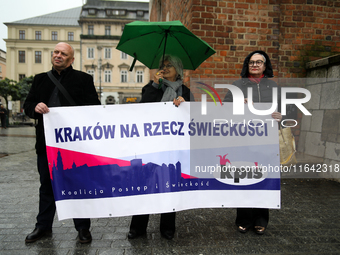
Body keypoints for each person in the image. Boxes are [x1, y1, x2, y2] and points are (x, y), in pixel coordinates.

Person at [23, 42, 100, 243]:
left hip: (75, 146)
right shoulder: (40, 79)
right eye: (56, 52)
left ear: (71, 59)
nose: (58, 55)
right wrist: (35, 107)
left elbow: (95, 109)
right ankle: (43, 227)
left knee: (77, 186)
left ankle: (83, 228)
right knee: (46, 187)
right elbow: (28, 106)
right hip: (46, 145)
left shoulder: (84, 79)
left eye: (63, 53)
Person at [127, 55, 192, 240]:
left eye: (170, 64)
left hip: (173, 148)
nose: (165, 67)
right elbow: (144, 108)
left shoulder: (185, 92)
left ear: (178, 69)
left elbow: (191, 118)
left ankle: (167, 227)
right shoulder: (152, 87)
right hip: (151, 145)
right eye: (163, 65)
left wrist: (185, 106)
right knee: (145, 184)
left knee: (168, 185)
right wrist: (156, 86)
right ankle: (138, 227)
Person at [224, 50, 282, 235]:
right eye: (251, 62)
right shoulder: (237, 85)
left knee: (263, 178)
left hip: (266, 141)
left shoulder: (273, 87)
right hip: (242, 140)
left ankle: (260, 218)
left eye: (259, 62)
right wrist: (238, 104)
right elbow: (224, 109)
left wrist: (281, 116)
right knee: (244, 178)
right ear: (247, 65)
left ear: (265, 66)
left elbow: (285, 110)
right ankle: (243, 218)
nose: (255, 65)